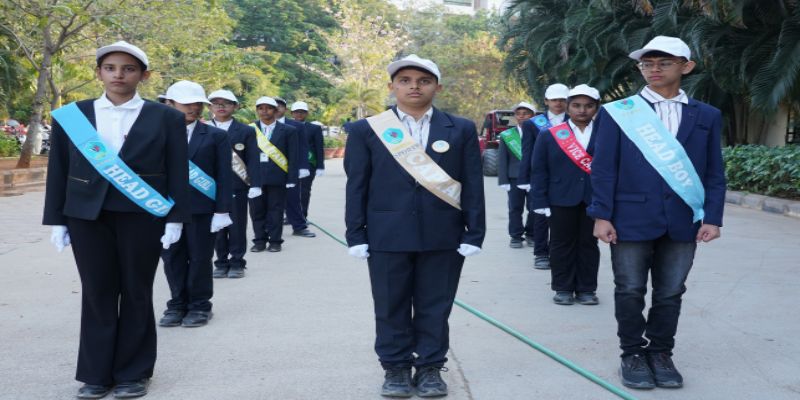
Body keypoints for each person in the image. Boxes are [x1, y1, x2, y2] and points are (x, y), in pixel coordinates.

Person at [43, 41, 190, 399]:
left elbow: (177, 170)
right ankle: (95, 374)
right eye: (110, 68)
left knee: (137, 291)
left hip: (142, 215)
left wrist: (176, 218)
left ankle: (133, 373)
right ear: (99, 72)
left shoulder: (166, 117)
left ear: (144, 75)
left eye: (128, 69)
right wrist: (57, 220)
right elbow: (58, 169)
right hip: (87, 217)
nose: (118, 75)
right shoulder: (72, 116)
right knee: (97, 292)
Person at [587, 36, 726, 390]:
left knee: (671, 291)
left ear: (686, 66)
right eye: (647, 64)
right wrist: (601, 215)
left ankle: (661, 353)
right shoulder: (618, 112)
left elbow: (714, 170)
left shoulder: (707, 115)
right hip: (629, 217)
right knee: (630, 289)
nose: (654, 69)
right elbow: (603, 168)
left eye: (664, 63)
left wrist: (713, 217)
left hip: (683, 218)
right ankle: (632, 353)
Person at [344, 54, 485, 398]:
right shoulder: (366, 129)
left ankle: (430, 367)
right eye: (405, 81)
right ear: (392, 86)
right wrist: (356, 233)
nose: (414, 87)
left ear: (437, 87)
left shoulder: (461, 128)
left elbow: (473, 183)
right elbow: (357, 184)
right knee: (390, 305)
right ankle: (395, 367)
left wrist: (474, 231)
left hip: (443, 233)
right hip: (386, 234)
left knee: (435, 305)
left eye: (423, 81)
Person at [159, 81, 232, 328]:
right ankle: (177, 304)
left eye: (198, 103)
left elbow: (224, 175)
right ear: (169, 104)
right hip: (166, 210)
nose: (194, 108)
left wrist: (222, 210)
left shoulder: (216, 136)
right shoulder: (155, 133)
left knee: (200, 258)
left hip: (201, 210)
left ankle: (200, 305)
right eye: (186, 104)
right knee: (172, 258)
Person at [531, 84, 601, 306]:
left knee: (589, 244)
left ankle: (587, 289)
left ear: (596, 108)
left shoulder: (606, 133)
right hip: (559, 198)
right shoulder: (550, 135)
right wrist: (539, 200)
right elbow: (539, 170)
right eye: (577, 105)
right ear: (568, 107)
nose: (582, 110)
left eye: (588, 106)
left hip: (594, 198)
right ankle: (562, 288)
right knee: (561, 244)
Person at [207, 89, 261, 279]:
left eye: (226, 103)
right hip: (209, 186)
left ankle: (237, 262)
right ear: (210, 107)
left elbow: (253, 159)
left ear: (235, 106)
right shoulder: (203, 128)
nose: (221, 107)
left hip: (237, 184)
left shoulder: (246, 130)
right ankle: (221, 262)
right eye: (216, 103)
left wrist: (255, 184)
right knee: (217, 226)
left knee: (237, 225)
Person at [519, 83, 570, 269]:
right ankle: (541, 253)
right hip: (541, 177)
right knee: (540, 217)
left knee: (565, 217)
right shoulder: (533, 124)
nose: (558, 103)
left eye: (562, 100)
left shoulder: (575, 120)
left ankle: (560, 253)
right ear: (546, 101)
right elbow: (527, 152)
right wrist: (524, 179)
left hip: (568, 178)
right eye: (554, 100)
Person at [249, 96, 299, 253]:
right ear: (257, 110)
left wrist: (292, 178)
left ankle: (275, 241)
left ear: (276, 110)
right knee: (256, 211)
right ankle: (259, 241)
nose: (264, 111)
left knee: (275, 211)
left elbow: (293, 155)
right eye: (260, 108)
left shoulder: (289, 130)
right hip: (254, 178)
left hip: (278, 177)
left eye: (268, 108)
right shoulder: (249, 129)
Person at [497, 102, 536, 248]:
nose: (522, 117)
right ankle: (515, 236)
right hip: (514, 177)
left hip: (534, 177)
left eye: (526, 114)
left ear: (532, 116)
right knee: (515, 208)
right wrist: (503, 180)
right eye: (518, 114)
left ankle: (532, 234)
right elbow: (502, 159)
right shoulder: (507, 135)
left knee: (534, 208)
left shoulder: (540, 132)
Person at [276, 97, 315, 237]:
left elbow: (303, 147)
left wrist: (303, 166)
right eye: (273, 106)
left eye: (280, 106)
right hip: (269, 169)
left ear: (285, 109)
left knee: (293, 198)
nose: (276, 109)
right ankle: (268, 231)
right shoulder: (258, 126)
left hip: (290, 168)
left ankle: (299, 227)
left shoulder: (297, 126)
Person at [290, 101, 325, 218]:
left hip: (308, 163)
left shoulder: (314, 128)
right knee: (290, 190)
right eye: (297, 112)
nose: (299, 114)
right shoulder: (285, 126)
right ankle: (291, 215)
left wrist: (320, 166)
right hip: (289, 163)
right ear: (292, 113)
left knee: (304, 191)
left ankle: (302, 215)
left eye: (302, 112)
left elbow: (319, 148)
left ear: (307, 113)